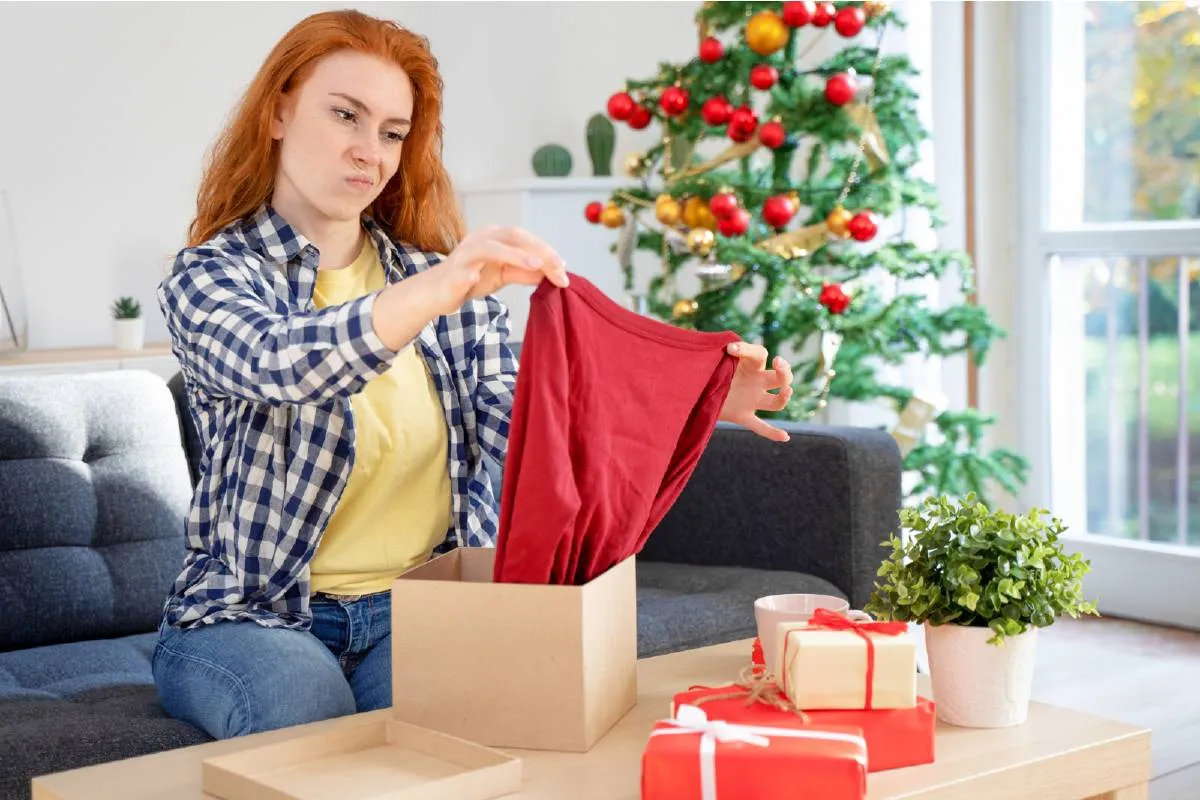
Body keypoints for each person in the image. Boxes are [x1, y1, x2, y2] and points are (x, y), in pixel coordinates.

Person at [153, 8, 795, 740]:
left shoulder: (436, 282)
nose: (370, 151)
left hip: (421, 607)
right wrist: (440, 287)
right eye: (346, 116)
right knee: (309, 716)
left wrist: (699, 401)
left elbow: (532, 429)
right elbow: (284, 363)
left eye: (392, 133)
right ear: (277, 111)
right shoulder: (211, 276)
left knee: (490, 724)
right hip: (252, 614)